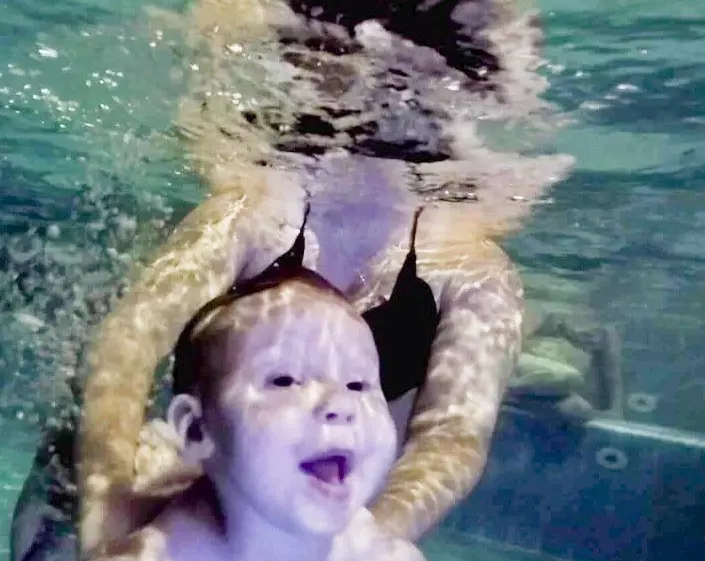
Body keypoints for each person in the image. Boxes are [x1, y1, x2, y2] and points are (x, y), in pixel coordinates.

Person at [77, 0, 575, 555]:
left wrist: (364, 535)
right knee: (69, 501)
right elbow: (128, 347)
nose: (374, 130)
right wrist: (108, 507)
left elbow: (454, 436)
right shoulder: (252, 216)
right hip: (182, 467)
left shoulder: (473, 270)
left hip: (334, 494)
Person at [85, 243, 424, 561]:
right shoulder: (156, 553)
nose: (341, 404)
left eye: (358, 385)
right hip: (154, 470)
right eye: (284, 381)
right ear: (195, 430)